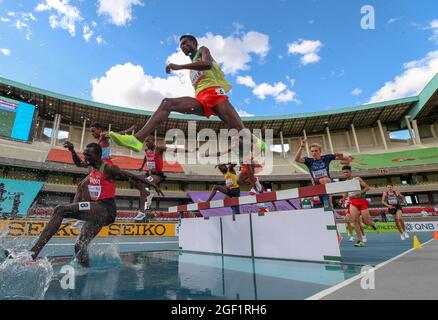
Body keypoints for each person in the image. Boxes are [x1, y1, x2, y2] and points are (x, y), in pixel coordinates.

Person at [6, 143, 154, 267]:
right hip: (96, 211)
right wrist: (71, 150)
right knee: (79, 246)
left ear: (97, 155)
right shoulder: (91, 167)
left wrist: (149, 184)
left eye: (88, 155)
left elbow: (129, 175)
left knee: (60, 210)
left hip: (106, 209)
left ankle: (31, 254)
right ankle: (87, 270)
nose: (85, 158)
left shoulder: (107, 168)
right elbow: (77, 163)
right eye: (84, 154)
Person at [133, 135, 176, 221]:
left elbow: (175, 149)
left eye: (148, 141)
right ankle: (148, 194)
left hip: (157, 175)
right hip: (149, 173)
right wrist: (142, 166)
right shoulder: (147, 150)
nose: (146, 143)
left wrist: (190, 151)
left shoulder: (159, 148)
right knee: (133, 179)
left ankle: (141, 212)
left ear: (153, 141)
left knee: (144, 182)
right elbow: (146, 157)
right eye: (145, 141)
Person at [342, 165, 377, 247]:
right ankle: (360, 240)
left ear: (350, 172)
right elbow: (346, 193)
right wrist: (343, 199)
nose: (345, 174)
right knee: (355, 221)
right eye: (344, 173)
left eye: (347, 172)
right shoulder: (345, 182)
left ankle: (372, 223)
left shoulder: (357, 179)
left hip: (362, 201)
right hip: (353, 202)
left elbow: (367, 188)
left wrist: (360, 192)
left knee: (366, 222)